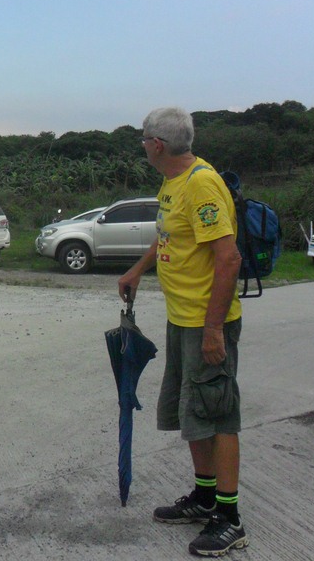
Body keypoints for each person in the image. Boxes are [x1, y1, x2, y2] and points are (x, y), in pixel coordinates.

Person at [117, 107, 248, 558]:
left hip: (207, 322)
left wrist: (213, 329)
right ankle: (205, 498)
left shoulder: (201, 184)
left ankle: (229, 518)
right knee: (194, 413)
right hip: (183, 318)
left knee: (218, 414)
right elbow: (170, 235)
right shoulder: (173, 182)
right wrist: (138, 269)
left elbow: (228, 258)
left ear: (157, 145)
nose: (143, 146)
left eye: (144, 140)